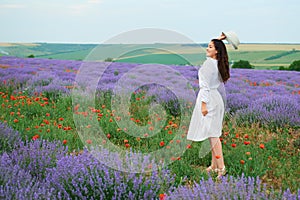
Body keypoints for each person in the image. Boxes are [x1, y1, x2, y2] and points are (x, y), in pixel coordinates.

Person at [187, 33, 229, 179]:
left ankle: (221, 168)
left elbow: (204, 87)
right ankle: (213, 165)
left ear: (216, 51)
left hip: (209, 100)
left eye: (210, 46)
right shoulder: (217, 62)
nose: (207, 48)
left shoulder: (209, 65)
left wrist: (203, 105)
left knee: (213, 136)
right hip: (216, 98)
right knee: (213, 133)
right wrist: (218, 40)